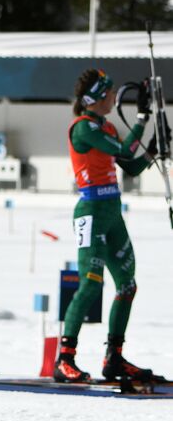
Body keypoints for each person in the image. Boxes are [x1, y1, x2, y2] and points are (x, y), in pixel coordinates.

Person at [54, 68, 157, 383]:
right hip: (91, 212)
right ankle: (65, 358)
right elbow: (125, 151)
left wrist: (155, 149)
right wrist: (141, 120)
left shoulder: (107, 126)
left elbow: (131, 165)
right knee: (91, 283)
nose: (114, 98)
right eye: (110, 93)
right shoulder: (83, 128)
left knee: (128, 284)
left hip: (113, 213)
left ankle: (114, 357)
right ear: (97, 98)